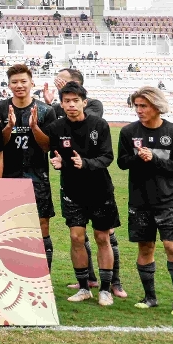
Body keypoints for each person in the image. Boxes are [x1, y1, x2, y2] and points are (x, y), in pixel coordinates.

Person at [41, 82, 118, 306]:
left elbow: (107, 157)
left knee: (102, 237)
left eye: (76, 100)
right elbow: (55, 155)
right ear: (62, 104)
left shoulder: (99, 125)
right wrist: (58, 162)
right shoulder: (56, 128)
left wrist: (85, 163)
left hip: (99, 190)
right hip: (72, 191)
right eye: (67, 101)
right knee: (76, 237)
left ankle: (105, 289)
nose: (71, 105)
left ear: (84, 102)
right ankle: (84, 287)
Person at [118, 87, 173, 316]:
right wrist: (138, 158)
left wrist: (154, 159)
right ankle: (150, 297)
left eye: (144, 106)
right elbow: (122, 162)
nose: (139, 110)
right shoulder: (128, 132)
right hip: (140, 201)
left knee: (172, 247)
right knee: (145, 247)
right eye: (137, 106)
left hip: (169, 200)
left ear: (157, 106)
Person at [0, 64, 58, 269]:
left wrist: (34, 127)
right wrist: (9, 127)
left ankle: (44, 274)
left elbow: (47, 147)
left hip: (37, 176)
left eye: (23, 81)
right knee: (7, 227)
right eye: (15, 82)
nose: (19, 85)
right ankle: (10, 271)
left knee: (41, 224)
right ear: (9, 85)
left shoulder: (46, 110)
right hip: (8, 177)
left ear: (31, 83)